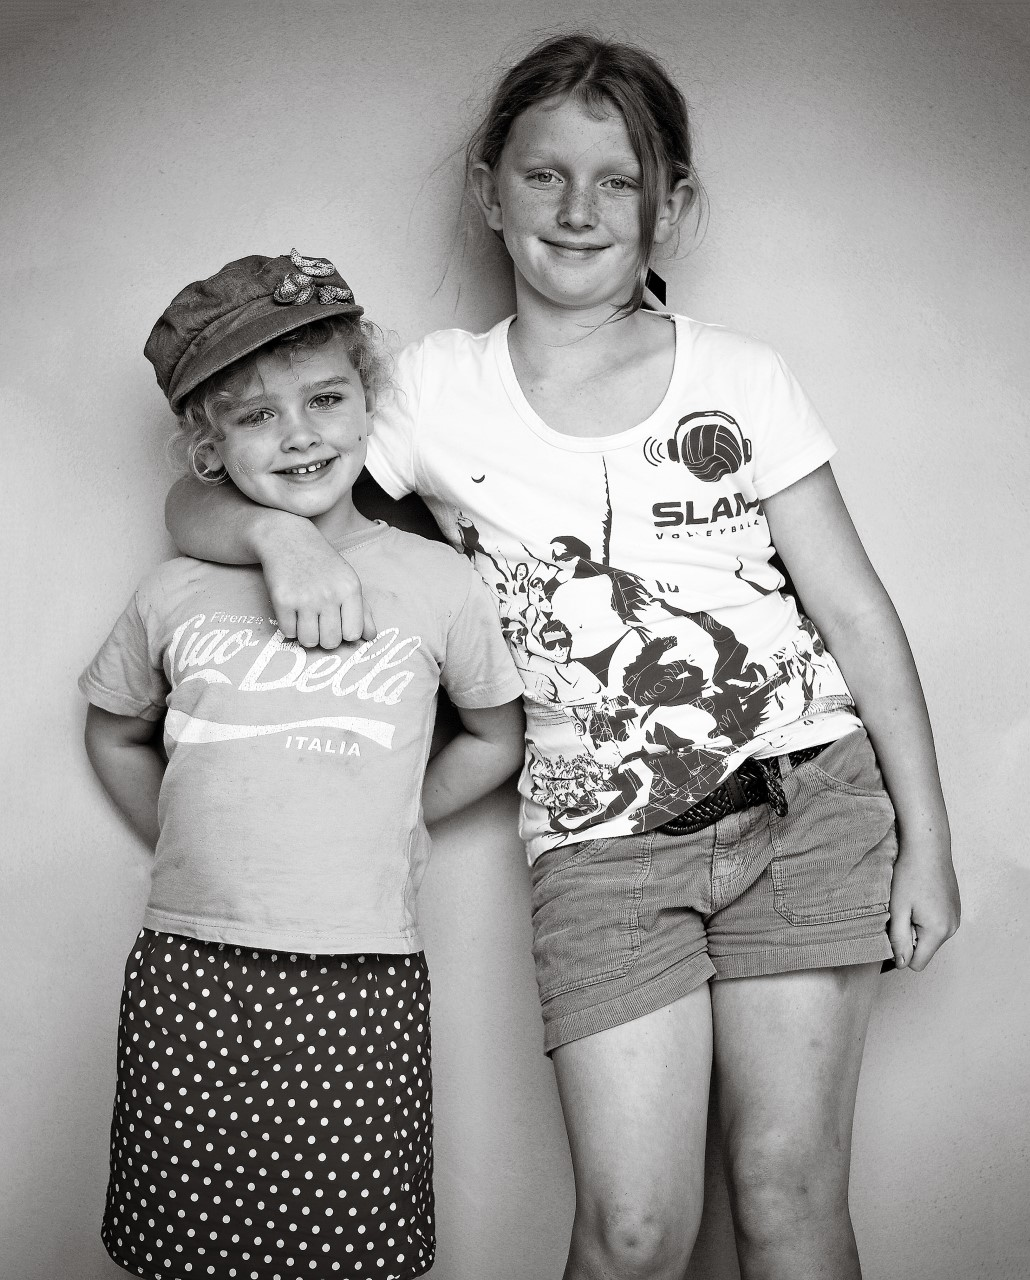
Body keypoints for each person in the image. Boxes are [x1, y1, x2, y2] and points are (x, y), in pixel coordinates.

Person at [165, 34, 961, 1280]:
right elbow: (203, 500)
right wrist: (278, 536)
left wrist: (930, 837)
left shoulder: (740, 376)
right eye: (544, 175)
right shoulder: (431, 390)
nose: (578, 209)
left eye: (617, 179)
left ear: (669, 206)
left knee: (784, 1192)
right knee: (634, 1232)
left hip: (806, 796)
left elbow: (855, 611)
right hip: (600, 841)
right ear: (490, 191)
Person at [80, 249, 525, 1280]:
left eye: (326, 398)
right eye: (255, 415)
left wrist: (398, 815)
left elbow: (496, 736)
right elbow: (112, 731)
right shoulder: (174, 590)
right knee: (184, 1243)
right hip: (191, 970)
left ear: (368, 403)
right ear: (207, 446)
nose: (299, 434)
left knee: (348, 1246)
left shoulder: (438, 583)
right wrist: (185, 831)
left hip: (361, 972)